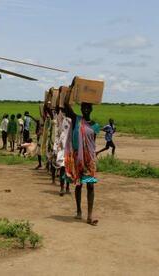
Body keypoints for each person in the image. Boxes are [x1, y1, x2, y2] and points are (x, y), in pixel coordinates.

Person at [64, 89, 100, 226]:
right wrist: (72, 87)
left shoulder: (95, 125)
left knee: (91, 186)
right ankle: (79, 211)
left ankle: (89, 216)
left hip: (89, 159)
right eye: (83, 107)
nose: (85, 109)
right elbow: (66, 104)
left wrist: (92, 156)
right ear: (81, 108)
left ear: (91, 109)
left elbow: (92, 143)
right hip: (78, 158)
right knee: (78, 185)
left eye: (87, 107)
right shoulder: (76, 119)